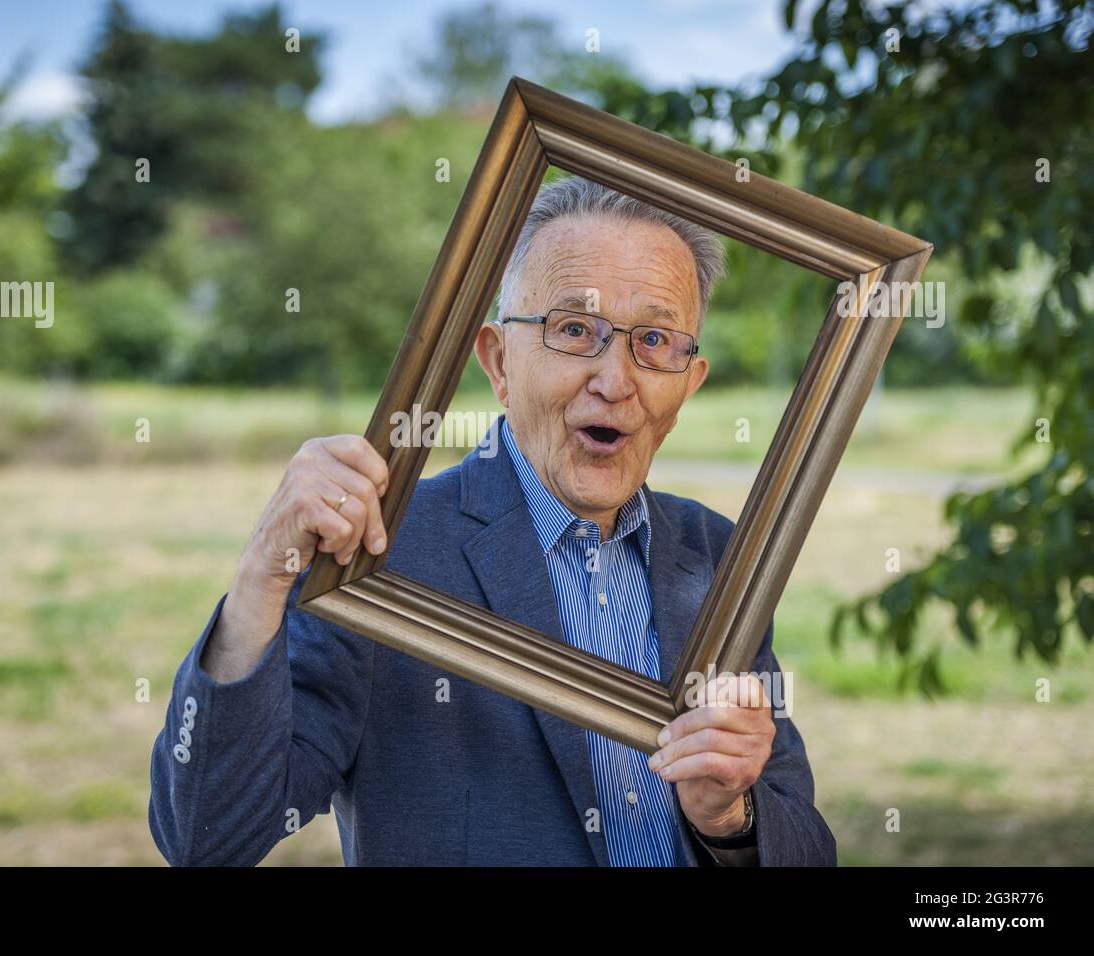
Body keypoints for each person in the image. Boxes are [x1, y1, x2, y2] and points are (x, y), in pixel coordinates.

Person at [148, 175, 836, 866]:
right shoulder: (378, 553)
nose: (616, 380)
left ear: (689, 383)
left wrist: (731, 819)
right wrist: (263, 578)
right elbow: (208, 836)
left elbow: (805, 847)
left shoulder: (718, 554)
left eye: (655, 340)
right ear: (498, 360)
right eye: (575, 330)